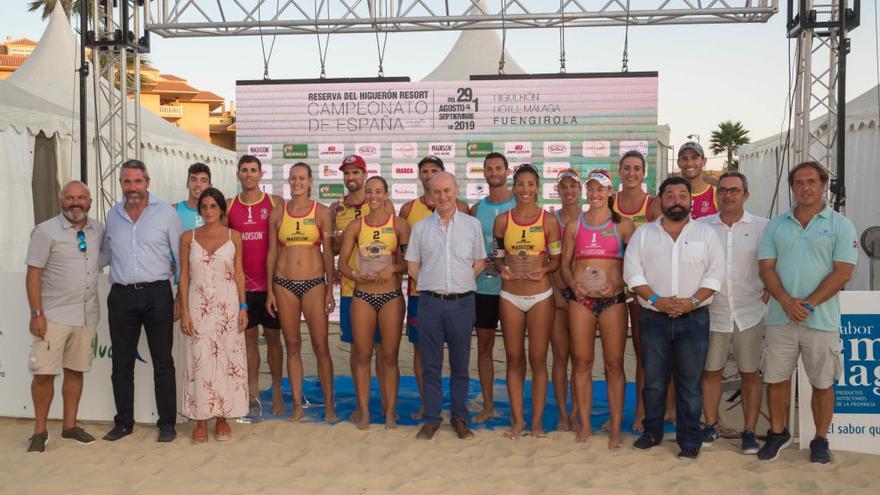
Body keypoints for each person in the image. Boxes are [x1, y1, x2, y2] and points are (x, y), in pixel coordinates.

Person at [757, 161, 858, 464]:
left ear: (824, 184)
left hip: (821, 320)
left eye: (811, 181)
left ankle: (820, 439)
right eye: (799, 182)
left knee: (822, 383)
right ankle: (777, 433)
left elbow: (843, 273)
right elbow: (766, 269)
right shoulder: (776, 225)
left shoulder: (841, 225)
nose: (805, 187)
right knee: (775, 379)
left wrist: (808, 304)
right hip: (780, 317)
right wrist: (787, 302)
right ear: (792, 187)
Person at [624, 176, 725, 459]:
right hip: (653, 319)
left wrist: (690, 303)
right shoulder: (643, 235)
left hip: (694, 320)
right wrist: (658, 300)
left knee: (690, 385)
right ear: (660, 200)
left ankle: (689, 440)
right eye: (670, 195)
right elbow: (632, 273)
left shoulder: (706, 235)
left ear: (690, 200)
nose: (677, 200)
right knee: (654, 381)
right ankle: (652, 432)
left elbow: (716, 274)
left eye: (683, 195)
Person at [100, 160, 184, 443]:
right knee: (121, 364)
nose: (132, 187)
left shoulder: (166, 214)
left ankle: (167, 424)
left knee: (163, 362)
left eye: (137, 181)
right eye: (127, 181)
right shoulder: (112, 215)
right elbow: (105, 255)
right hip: (122, 296)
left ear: (147, 182)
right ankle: (123, 422)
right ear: (121, 184)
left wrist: (180, 295)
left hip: (157, 293)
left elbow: (180, 256)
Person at [405, 171, 486, 440]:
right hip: (430, 303)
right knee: (430, 364)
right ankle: (431, 419)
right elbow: (413, 266)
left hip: (462, 304)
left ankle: (460, 418)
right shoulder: (420, 228)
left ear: (456, 190)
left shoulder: (472, 226)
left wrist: (459, 283)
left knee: (460, 365)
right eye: (436, 192)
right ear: (430, 196)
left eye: (447, 190)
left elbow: (479, 262)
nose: (443, 196)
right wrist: (434, 282)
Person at [25, 181, 104, 453]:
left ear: (90, 201)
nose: (76, 203)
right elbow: (33, 273)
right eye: (70, 198)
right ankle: (39, 431)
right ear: (61, 200)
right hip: (53, 316)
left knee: (75, 371)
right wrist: (37, 313)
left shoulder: (97, 230)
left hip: (86, 315)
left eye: (81, 197)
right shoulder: (45, 231)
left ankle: (69, 427)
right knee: (44, 374)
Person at [560, 170, 635, 448]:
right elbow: (564, 265)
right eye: (591, 189)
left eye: (600, 189)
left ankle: (615, 428)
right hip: (581, 301)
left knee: (614, 365)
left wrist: (617, 282)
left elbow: (634, 264)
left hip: (612, 301)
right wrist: (573, 285)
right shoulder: (574, 226)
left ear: (610, 192)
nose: (595, 194)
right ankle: (586, 425)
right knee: (581, 363)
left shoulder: (624, 226)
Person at [698, 172, 769, 455]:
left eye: (735, 190)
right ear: (717, 194)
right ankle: (711, 425)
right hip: (713, 313)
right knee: (711, 372)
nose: (728, 195)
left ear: (745, 195)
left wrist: (769, 292)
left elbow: (774, 264)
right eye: (723, 190)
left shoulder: (764, 227)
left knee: (750, 374)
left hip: (750, 313)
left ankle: (749, 431)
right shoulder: (702, 227)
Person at [494, 164, 561, 438]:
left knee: (537, 359)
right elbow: (498, 255)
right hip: (510, 295)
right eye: (520, 184)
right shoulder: (502, 221)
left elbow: (555, 261)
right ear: (513, 187)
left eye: (530, 184)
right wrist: (501, 268)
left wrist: (544, 270)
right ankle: (518, 421)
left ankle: (536, 423)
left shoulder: (548, 221)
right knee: (513, 358)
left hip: (540, 296)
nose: (525, 189)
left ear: (537, 187)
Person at [266, 162, 337, 422]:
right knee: (292, 345)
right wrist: (270, 290)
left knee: (321, 347)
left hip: (314, 284)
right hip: (284, 284)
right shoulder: (277, 213)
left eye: (302, 178)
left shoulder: (322, 212)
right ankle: (297, 406)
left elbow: (328, 252)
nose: (297, 182)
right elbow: (272, 252)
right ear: (289, 181)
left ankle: (329, 406)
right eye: (293, 178)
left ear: (310, 182)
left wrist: (330, 289)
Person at [337, 176, 410, 429]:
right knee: (363, 355)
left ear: (387, 194)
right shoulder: (356, 226)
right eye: (370, 192)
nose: (374, 196)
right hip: (362, 295)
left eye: (379, 191)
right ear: (365, 195)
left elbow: (409, 263)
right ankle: (365, 411)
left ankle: (390, 412)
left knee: (389, 356)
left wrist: (393, 270)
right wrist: (354, 274)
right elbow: (342, 263)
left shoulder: (399, 225)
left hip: (390, 296)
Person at [399, 155, 469, 419]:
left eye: (434, 171)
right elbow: (406, 254)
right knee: (422, 351)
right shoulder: (408, 209)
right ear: (419, 176)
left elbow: (471, 255)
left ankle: (457, 408)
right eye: (425, 171)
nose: (429, 176)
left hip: (456, 297)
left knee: (457, 354)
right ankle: (426, 404)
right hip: (422, 295)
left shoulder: (461, 207)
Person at [178, 188, 249, 442]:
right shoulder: (188, 237)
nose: (208, 211)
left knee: (226, 361)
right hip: (198, 308)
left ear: (221, 209)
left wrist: (243, 307)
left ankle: (222, 417)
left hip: (228, 308)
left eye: (213, 206)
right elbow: (184, 275)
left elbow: (239, 273)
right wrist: (185, 311)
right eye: (204, 207)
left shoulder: (235, 237)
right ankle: (200, 419)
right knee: (199, 360)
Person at [227, 155, 285, 416]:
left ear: (261, 174)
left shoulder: (275, 204)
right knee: (249, 340)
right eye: (244, 170)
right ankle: (251, 391)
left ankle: (275, 390)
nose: (249, 174)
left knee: (274, 338)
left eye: (253, 170)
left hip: (271, 286)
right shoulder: (229, 206)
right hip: (243, 287)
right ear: (238, 174)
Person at [329, 154, 385, 418]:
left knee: (382, 347)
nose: (351, 178)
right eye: (347, 173)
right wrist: (340, 239)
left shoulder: (381, 204)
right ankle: (360, 404)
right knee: (357, 349)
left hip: (381, 288)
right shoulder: (336, 208)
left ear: (364, 175)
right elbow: (331, 249)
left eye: (355, 173)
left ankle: (386, 402)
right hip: (352, 287)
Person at [613, 150, 660, 431]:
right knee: (614, 355)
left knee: (644, 354)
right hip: (615, 288)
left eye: (636, 169)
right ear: (619, 172)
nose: (631, 173)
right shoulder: (608, 203)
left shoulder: (652, 205)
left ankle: (642, 413)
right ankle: (617, 413)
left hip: (643, 288)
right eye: (626, 168)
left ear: (644, 173)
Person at [469, 152, 516, 424]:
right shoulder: (477, 209)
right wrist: (482, 263)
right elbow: (472, 249)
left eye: (499, 168)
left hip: (513, 290)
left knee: (513, 352)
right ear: (484, 172)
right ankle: (487, 406)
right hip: (483, 289)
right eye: (490, 168)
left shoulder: (518, 204)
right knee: (484, 348)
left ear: (507, 171)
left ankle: (515, 407)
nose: (494, 172)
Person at [548, 168, 582, 432]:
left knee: (582, 359)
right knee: (560, 356)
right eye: (564, 186)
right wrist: (558, 289)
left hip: (584, 297)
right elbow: (547, 260)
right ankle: (562, 414)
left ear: (580, 190)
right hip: (558, 294)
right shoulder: (550, 220)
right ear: (557, 191)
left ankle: (578, 412)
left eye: (573, 186)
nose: (569, 191)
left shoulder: (591, 218)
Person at [677, 141, 717, 220]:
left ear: (703, 161)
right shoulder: (669, 196)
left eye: (694, 158)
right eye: (684, 158)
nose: (689, 163)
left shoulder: (716, 195)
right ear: (678, 163)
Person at [174, 163, 212, 231]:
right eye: (194, 179)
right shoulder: (174, 210)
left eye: (203, 181)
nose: (198, 185)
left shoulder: (218, 214)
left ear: (210, 186)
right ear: (187, 184)